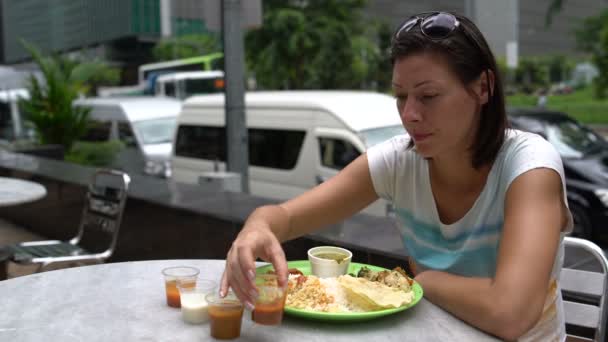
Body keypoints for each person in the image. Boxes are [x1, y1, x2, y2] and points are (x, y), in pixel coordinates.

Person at [220, 12, 572, 341]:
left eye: (428, 95)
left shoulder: (529, 166)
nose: (410, 114)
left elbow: (511, 312)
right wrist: (256, 228)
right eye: (401, 96)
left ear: (483, 87)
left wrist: (426, 282)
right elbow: (285, 217)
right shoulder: (399, 161)